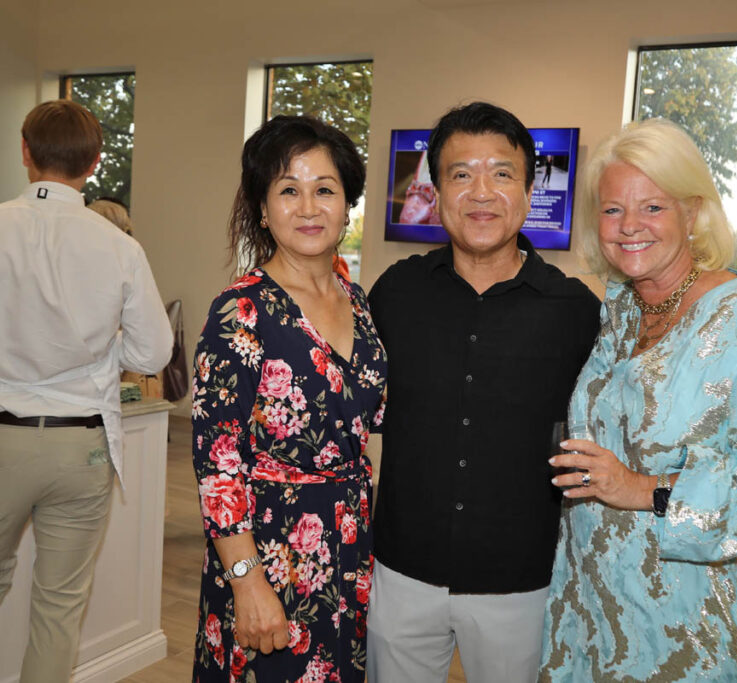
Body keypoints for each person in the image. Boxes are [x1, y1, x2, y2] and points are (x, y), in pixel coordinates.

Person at [540, 118, 737, 681]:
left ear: (692, 214)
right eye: (613, 209)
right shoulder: (623, 308)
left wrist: (641, 488)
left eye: (653, 207)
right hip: (587, 601)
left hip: (685, 618)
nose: (629, 226)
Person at [366, 102, 600, 682]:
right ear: (436, 191)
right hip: (402, 569)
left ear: (528, 192)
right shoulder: (395, 293)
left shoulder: (574, 310)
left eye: (501, 173)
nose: (481, 193)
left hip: (519, 581)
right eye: (461, 174)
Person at [190, 115, 386, 681]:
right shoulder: (240, 311)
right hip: (269, 555)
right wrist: (247, 581)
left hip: (349, 549)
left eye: (324, 189)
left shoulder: (358, 301)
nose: (308, 208)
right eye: (288, 191)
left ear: (346, 204)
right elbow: (217, 465)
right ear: (262, 208)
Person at [0, 100, 172, 683]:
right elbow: (153, 354)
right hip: (82, 447)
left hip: (3, 436)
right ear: (95, 162)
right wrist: (102, 350)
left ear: (26, 152)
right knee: (59, 609)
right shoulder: (120, 246)